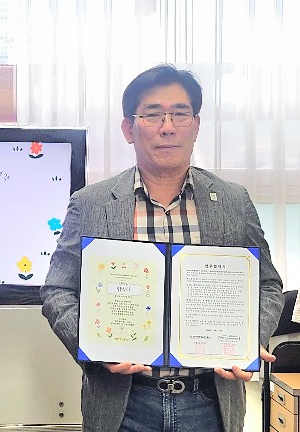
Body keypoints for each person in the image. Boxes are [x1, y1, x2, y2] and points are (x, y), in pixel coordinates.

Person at [40, 64, 284, 432]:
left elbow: (267, 285)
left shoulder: (233, 201)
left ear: (196, 126)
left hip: (210, 403)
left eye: (180, 114)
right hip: (123, 404)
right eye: (152, 114)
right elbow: (58, 290)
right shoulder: (91, 203)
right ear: (128, 129)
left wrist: (249, 341)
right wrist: (94, 346)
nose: (167, 127)